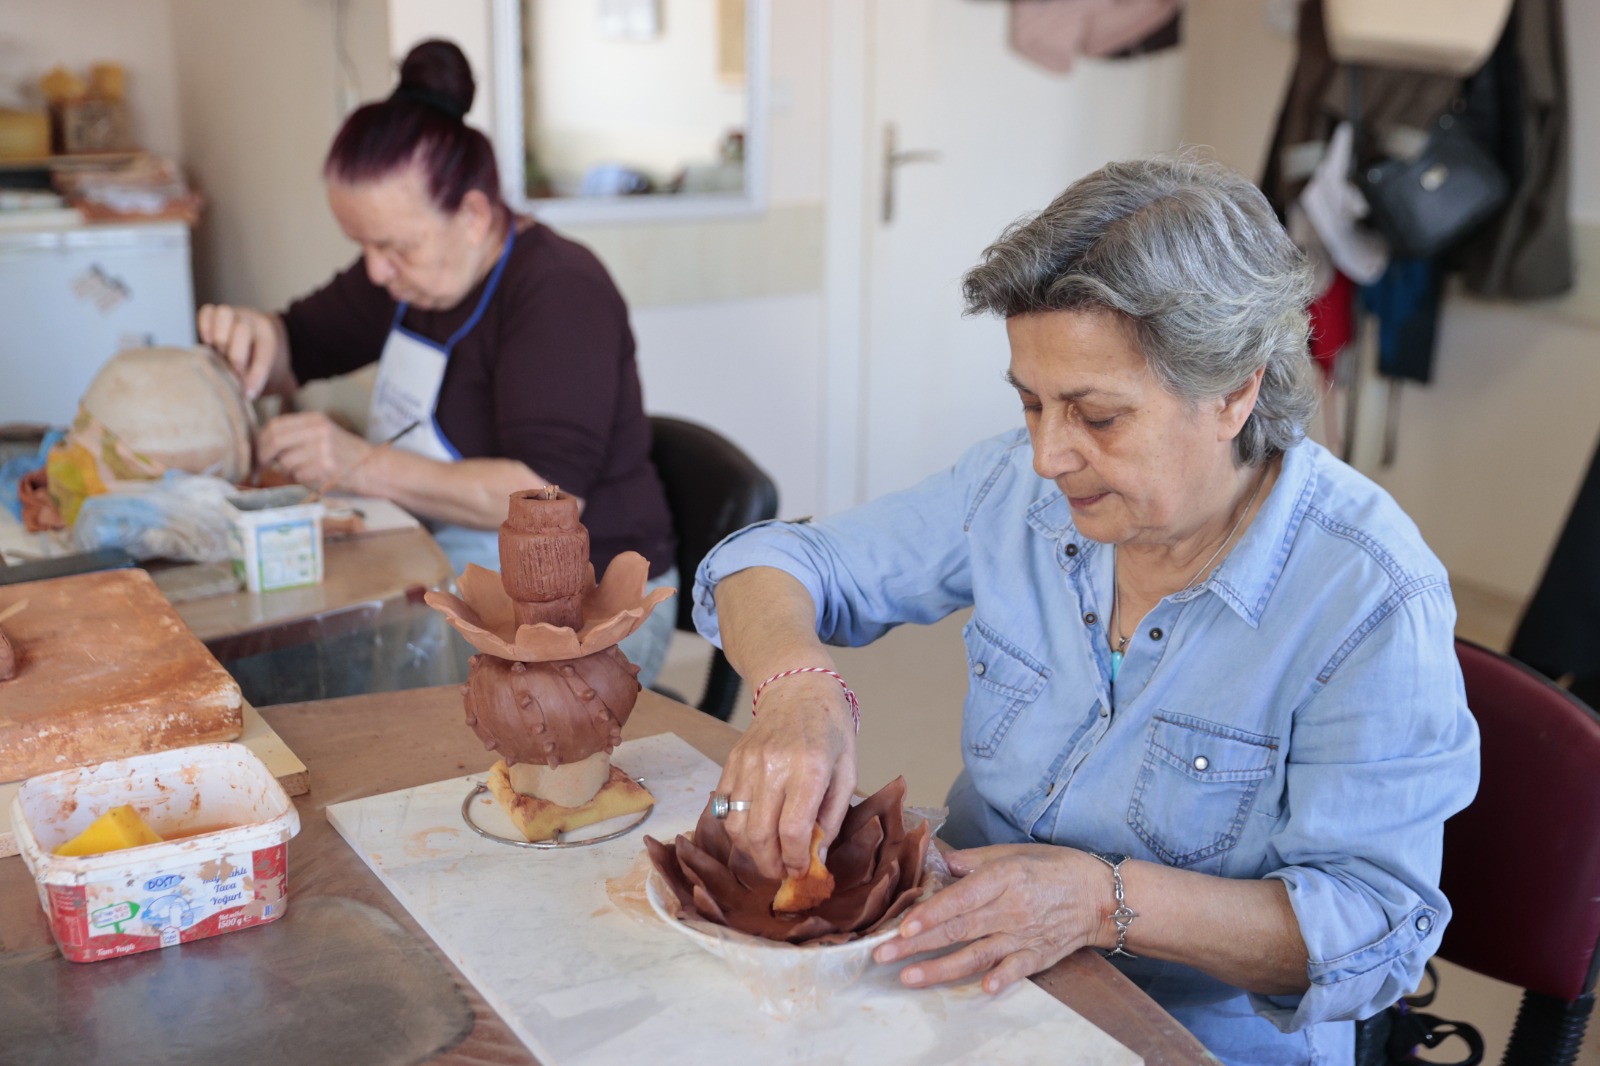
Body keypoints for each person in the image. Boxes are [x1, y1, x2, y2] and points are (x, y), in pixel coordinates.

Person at [691, 155, 1479, 1064]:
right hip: (972, 977)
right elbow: (775, 558)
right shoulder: (1012, 491)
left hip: (1194, 1034)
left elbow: (1375, 930)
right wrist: (797, 687)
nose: (1046, 457)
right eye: (1030, 404)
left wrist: (1101, 902)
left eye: (1096, 416)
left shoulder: (1369, 597)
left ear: (1235, 393)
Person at [197, 40, 678, 686]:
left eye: (394, 247)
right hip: (457, 562)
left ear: (474, 216)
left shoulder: (561, 288)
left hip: (589, 606)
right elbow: (296, 347)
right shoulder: (403, 278)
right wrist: (255, 335)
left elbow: (547, 493)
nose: (374, 270)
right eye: (362, 246)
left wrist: (360, 464)